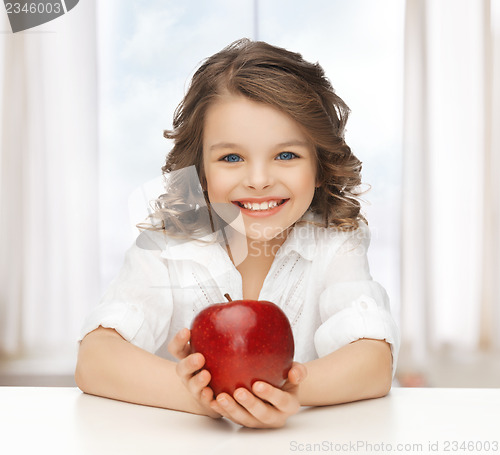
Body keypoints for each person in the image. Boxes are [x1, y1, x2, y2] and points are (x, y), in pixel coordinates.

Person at [75, 38, 400, 429]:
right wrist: (203, 395)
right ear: (201, 172)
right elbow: (95, 359)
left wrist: (283, 392)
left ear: (319, 166)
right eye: (231, 158)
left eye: (286, 155)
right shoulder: (166, 244)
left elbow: (373, 362)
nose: (259, 180)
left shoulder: (334, 240)